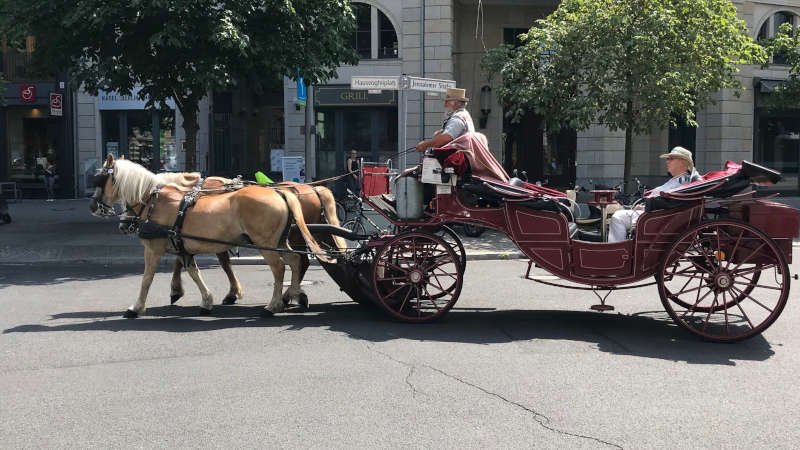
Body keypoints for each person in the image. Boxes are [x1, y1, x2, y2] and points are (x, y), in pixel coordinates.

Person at [607, 146, 701, 242]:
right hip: (656, 215)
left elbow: (671, 202)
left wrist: (647, 206)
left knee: (617, 217)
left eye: (671, 159)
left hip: (658, 218)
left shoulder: (683, 181)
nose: (667, 161)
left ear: (682, 162)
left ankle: (616, 249)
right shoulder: (679, 180)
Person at [415, 87, 475, 152]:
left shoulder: (457, 118)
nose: (444, 105)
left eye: (447, 102)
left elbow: (446, 138)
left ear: (455, 103)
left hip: (457, 158)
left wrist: (425, 144)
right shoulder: (464, 114)